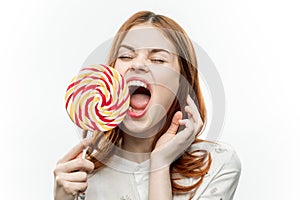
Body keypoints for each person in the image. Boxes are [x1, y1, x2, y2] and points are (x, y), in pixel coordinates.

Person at [53, 11, 241, 200]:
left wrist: (160, 163)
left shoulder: (217, 164)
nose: (138, 65)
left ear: (182, 83)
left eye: (158, 59)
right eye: (126, 56)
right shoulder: (83, 175)